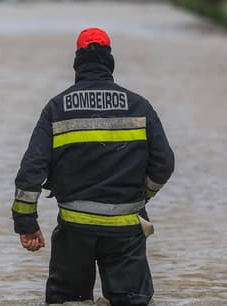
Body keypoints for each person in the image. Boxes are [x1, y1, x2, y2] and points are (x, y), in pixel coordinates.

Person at [12, 27, 175, 305]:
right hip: (126, 229)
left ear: (77, 62)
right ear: (110, 61)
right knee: (131, 301)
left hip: (75, 230)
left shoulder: (57, 107)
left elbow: (30, 172)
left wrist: (26, 223)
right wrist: (141, 195)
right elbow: (164, 163)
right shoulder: (139, 106)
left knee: (69, 301)